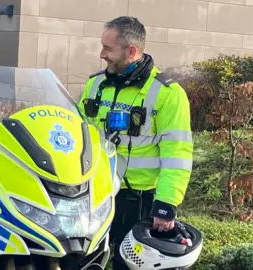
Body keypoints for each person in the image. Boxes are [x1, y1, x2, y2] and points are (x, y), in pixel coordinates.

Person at [77, 16, 193, 270]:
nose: (101, 54)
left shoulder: (167, 94)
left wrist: (165, 204)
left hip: (139, 201)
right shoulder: (95, 84)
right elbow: (78, 133)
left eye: (108, 49)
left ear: (131, 51)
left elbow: (178, 153)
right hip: (93, 195)